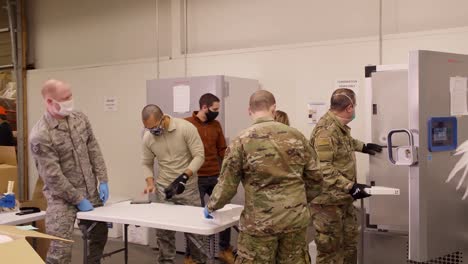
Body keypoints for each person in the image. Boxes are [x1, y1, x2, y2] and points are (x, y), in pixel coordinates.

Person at [204, 90, 322, 264]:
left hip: (259, 223)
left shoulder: (241, 141)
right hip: (294, 220)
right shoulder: (297, 136)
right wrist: (299, 201)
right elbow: (317, 178)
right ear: (274, 108)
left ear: (249, 111)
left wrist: (212, 205)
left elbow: (227, 186)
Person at [29, 79, 109, 264]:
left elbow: (93, 148)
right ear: (49, 101)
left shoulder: (79, 118)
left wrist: (103, 179)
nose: (70, 101)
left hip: (90, 192)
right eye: (65, 98)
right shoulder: (41, 134)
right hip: (62, 198)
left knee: (98, 235)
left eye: (70, 95)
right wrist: (78, 199)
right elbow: (52, 176)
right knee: (60, 250)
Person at [309, 88, 382, 264]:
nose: (355, 109)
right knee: (330, 251)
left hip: (343, 199)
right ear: (349, 107)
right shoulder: (326, 130)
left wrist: (363, 146)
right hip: (327, 203)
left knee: (349, 245)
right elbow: (324, 167)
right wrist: (351, 186)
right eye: (355, 105)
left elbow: (345, 143)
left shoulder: (338, 128)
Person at [141, 104, 206, 264]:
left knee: (195, 231)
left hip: (187, 187)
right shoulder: (148, 137)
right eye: (148, 128)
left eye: (154, 127)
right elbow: (146, 162)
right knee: (163, 232)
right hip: (164, 188)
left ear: (163, 119)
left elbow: (199, 155)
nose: (152, 131)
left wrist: (184, 176)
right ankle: (166, 261)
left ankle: (198, 261)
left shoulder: (186, 128)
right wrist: (150, 181)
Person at [184, 93, 233, 264]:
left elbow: (222, 149)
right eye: (214, 109)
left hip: (214, 175)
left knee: (223, 212)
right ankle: (191, 256)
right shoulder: (187, 124)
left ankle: (224, 249)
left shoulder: (216, 124)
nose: (216, 112)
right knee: (194, 217)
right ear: (204, 107)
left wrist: (229, 167)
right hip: (195, 177)